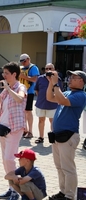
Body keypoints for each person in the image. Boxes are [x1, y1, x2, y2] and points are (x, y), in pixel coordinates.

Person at [46, 70, 86, 200]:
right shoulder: (68, 92)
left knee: (68, 168)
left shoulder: (81, 95)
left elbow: (63, 101)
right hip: (58, 136)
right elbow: (50, 98)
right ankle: (63, 192)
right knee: (60, 167)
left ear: (82, 81)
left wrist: (56, 84)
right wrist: (50, 83)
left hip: (68, 136)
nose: (70, 79)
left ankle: (70, 196)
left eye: (74, 77)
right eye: (70, 76)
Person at [0, 62, 27, 200]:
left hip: (15, 128)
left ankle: (17, 190)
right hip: (3, 128)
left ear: (14, 74)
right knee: (5, 161)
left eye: (6, 73)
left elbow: (20, 98)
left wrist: (8, 88)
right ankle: (11, 188)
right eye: (3, 72)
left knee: (9, 159)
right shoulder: (6, 89)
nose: (3, 75)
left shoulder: (20, 87)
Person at [34, 63, 62, 144]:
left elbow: (60, 92)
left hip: (53, 105)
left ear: (54, 69)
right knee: (41, 120)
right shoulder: (40, 78)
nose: (48, 70)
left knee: (52, 121)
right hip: (41, 104)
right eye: (46, 68)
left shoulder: (57, 79)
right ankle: (41, 137)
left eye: (50, 68)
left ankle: (53, 137)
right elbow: (37, 89)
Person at [19, 53, 40, 139]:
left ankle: (30, 131)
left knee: (28, 111)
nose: (23, 63)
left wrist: (24, 77)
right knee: (22, 111)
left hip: (29, 92)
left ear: (28, 59)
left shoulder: (33, 67)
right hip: (21, 92)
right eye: (22, 62)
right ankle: (25, 130)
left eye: (24, 61)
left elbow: (35, 79)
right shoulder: (21, 68)